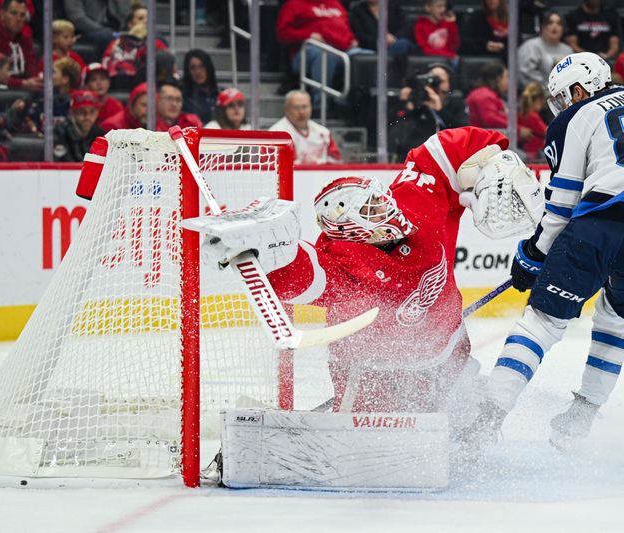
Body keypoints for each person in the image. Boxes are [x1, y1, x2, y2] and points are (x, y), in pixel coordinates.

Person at [196, 127, 543, 440]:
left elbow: (444, 151)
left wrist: (490, 164)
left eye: (378, 200)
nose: (386, 208)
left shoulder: (412, 201)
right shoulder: (345, 261)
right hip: (375, 372)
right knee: (373, 446)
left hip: (450, 350)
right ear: (353, 231)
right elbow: (306, 276)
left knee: (471, 439)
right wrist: (266, 254)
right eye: (372, 211)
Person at [471, 52, 624, 451]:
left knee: (541, 323)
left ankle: (484, 423)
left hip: (603, 225)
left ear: (578, 89)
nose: (561, 108)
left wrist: (533, 254)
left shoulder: (578, 115)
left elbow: (563, 204)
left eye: (561, 98)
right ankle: (581, 417)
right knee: (617, 325)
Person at [276, 0, 356, 108]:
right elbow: (282, 34)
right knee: (325, 55)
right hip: (307, 51)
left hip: (342, 48)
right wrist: (308, 35)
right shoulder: (294, 4)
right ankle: (321, 105)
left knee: (364, 56)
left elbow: (346, 27)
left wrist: (353, 40)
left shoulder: (335, 4)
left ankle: (354, 105)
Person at [391, 63, 469, 160]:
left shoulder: (456, 103)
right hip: (418, 157)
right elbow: (396, 125)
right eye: (433, 79)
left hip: (448, 157)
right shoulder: (418, 101)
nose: (437, 84)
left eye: (441, 80)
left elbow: (463, 131)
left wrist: (440, 110)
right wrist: (403, 103)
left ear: (449, 84)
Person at [269, 90, 341, 164]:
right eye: (296, 107)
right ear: (286, 109)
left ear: (311, 107)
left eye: (305, 107)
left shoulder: (323, 133)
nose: (301, 112)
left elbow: (336, 160)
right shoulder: (276, 134)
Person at [517, 10, 572, 91]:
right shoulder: (530, 47)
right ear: (543, 27)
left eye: (559, 23)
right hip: (536, 97)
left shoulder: (568, 50)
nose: (555, 26)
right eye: (550, 23)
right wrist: (547, 90)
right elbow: (524, 75)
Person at [348, 0, 415, 57]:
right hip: (372, 48)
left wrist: (393, 38)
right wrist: (380, 42)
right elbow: (359, 34)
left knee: (402, 44)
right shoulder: (357, 10)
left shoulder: (394, 6)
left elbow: (406, 27)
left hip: (395, 43)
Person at [53, 89, 105, 162]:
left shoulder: (101, 136)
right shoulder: (59, 133)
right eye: (81, 111)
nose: (87, 117)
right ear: (72, 113)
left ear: (97, 112)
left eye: (92, 112)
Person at [63, 0, 130, 51]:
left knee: (133, 38)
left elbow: (125, 15)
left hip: (111, 29)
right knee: (112, 38)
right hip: (86, 31)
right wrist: (102, 30)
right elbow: (77, 18)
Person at [465, 61, 509, 129]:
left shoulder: (490, 93)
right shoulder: (484, 95)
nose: (508, 81)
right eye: (506, 77)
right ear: (498, 78)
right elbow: (490, 119)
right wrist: (518, 129)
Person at [180, 49, 218, 125]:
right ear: (188, 71)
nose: (198, 71)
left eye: (202, 66)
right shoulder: (183, 96)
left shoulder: (219, 94)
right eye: (193, 67)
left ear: (208, 67)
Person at [517, 82, 547, 162]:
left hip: (527, 153)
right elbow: (547, 132)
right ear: (537, 100)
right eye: (542, 100)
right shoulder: (532, 116)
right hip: (534, 156)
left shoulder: (521, 114)